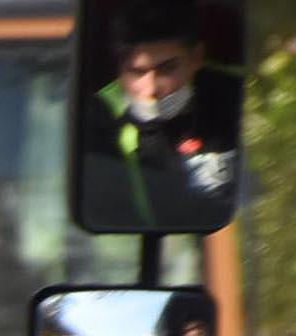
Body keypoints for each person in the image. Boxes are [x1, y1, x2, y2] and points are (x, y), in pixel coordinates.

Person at [80, 0, 242, 234]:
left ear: (196, 57)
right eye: (137, 72)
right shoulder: (101, 116)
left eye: (167, 69)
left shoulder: (236, 94)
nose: (151, 88)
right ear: (119, 68)